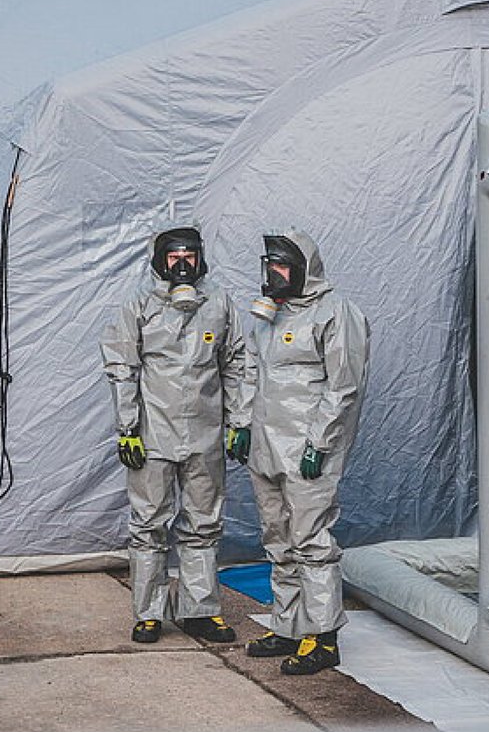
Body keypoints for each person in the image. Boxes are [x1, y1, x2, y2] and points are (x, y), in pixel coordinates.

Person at [101, 227, 251, 645]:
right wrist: (128, 428)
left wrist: (239, 422)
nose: (182, 264)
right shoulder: (139, 305)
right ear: (159, 260)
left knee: (203, 523)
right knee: (149, 523)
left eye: (190, 255)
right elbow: (122, 369)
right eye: (174, 257)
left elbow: (236, 364)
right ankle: (148, 612)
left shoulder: (218, 303)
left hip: (205, 435)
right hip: (153, 434)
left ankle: (199, 611)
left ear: (201, 258)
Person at [243, 231, 369, 676]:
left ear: (304, 267)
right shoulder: (268, 317)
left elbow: (343, 387)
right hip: (266, 445)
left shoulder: (336, 314)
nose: (273, 274)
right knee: (278, 538)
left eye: (283, 266)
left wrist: (319, 442)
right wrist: (242, 424)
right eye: (269, 265)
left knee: (312, 541)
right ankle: (288, 624)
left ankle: (322, 635)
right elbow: (250, 371)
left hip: (307, 450)